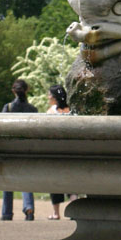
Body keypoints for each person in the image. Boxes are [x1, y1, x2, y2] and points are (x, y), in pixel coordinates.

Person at [0, 79, 37, 221]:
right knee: (25, 179)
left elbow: (0, 128)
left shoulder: (8, 107)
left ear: (13, 91)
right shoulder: (32, 109)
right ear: (26, 90)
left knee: (7, 180)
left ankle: (7, 212)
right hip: (26, 149)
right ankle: (29, 208)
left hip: (10, 148)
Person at [45, 84, 72, 220]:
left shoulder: (52, 111)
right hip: (70, 151)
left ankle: (56, 213)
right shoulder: (71, 110)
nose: (48, 97)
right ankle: (74, 208)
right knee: (72, 180)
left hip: (55, 150)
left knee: (54, 181)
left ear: (55, 97)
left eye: (49, 94)